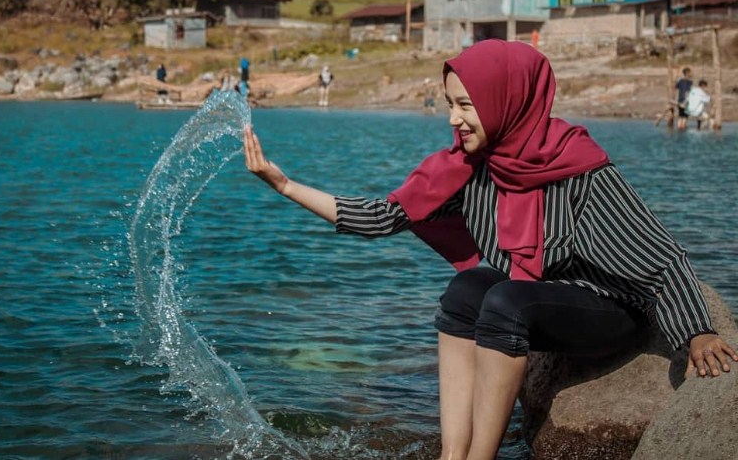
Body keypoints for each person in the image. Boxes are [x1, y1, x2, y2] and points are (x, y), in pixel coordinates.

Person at [243, 39, 737, 460]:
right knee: (465, 289)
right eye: (449, 104)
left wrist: (696, 331)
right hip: (541, 291)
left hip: (608, 308)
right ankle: (453, 454)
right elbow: (384, 217)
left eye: (465, 105)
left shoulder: (579, 168)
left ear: (507, 99)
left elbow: (661, 257)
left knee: (503, 300)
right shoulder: (468, 165)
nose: (453, 120)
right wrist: (284, 184)